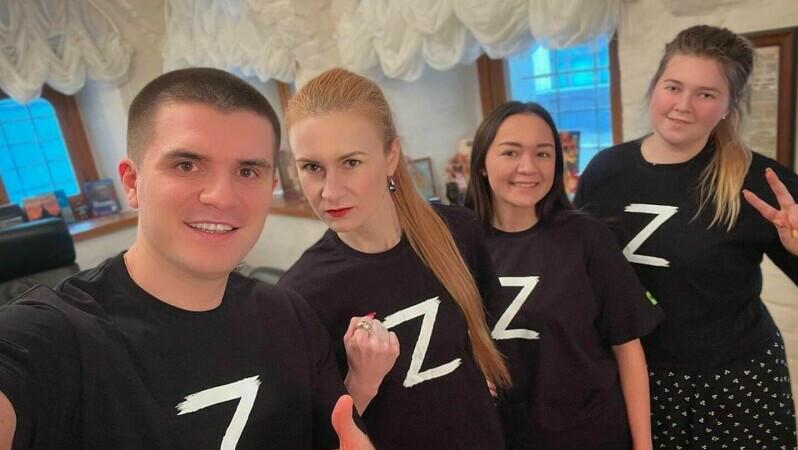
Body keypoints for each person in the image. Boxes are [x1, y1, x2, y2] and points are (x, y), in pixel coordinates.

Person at [0, 67, 374, 450]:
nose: (222, 197)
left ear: (271, 186)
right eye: (186, 165)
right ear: (132, 181)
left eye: (247, 171)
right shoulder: (54, 337)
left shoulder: (290, 316)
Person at [575, 24, 798, 448]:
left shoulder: (760, 182)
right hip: (638, 378)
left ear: (729, 106)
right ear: (655, 85)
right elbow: (581, 279)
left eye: (706, 94)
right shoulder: (605, 171)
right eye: (673, 87)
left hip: (737, 383)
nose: (683, 106)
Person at [278, 68, 510, 450]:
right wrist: (361, 381)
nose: (330, 191)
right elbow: (319, 437)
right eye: (312, 167)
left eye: (351, 162)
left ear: (390, 156)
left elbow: (481, 331)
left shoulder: (458, 231)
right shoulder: (299, 296)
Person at [465, 101, 663, 450]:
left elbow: (627, 346)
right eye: (511, 152)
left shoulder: (587, 238)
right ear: (481, 162)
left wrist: (643, 444)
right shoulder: (455, 244)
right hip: (497, 436)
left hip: (590, 434)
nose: (528, 167)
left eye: (543, 154)